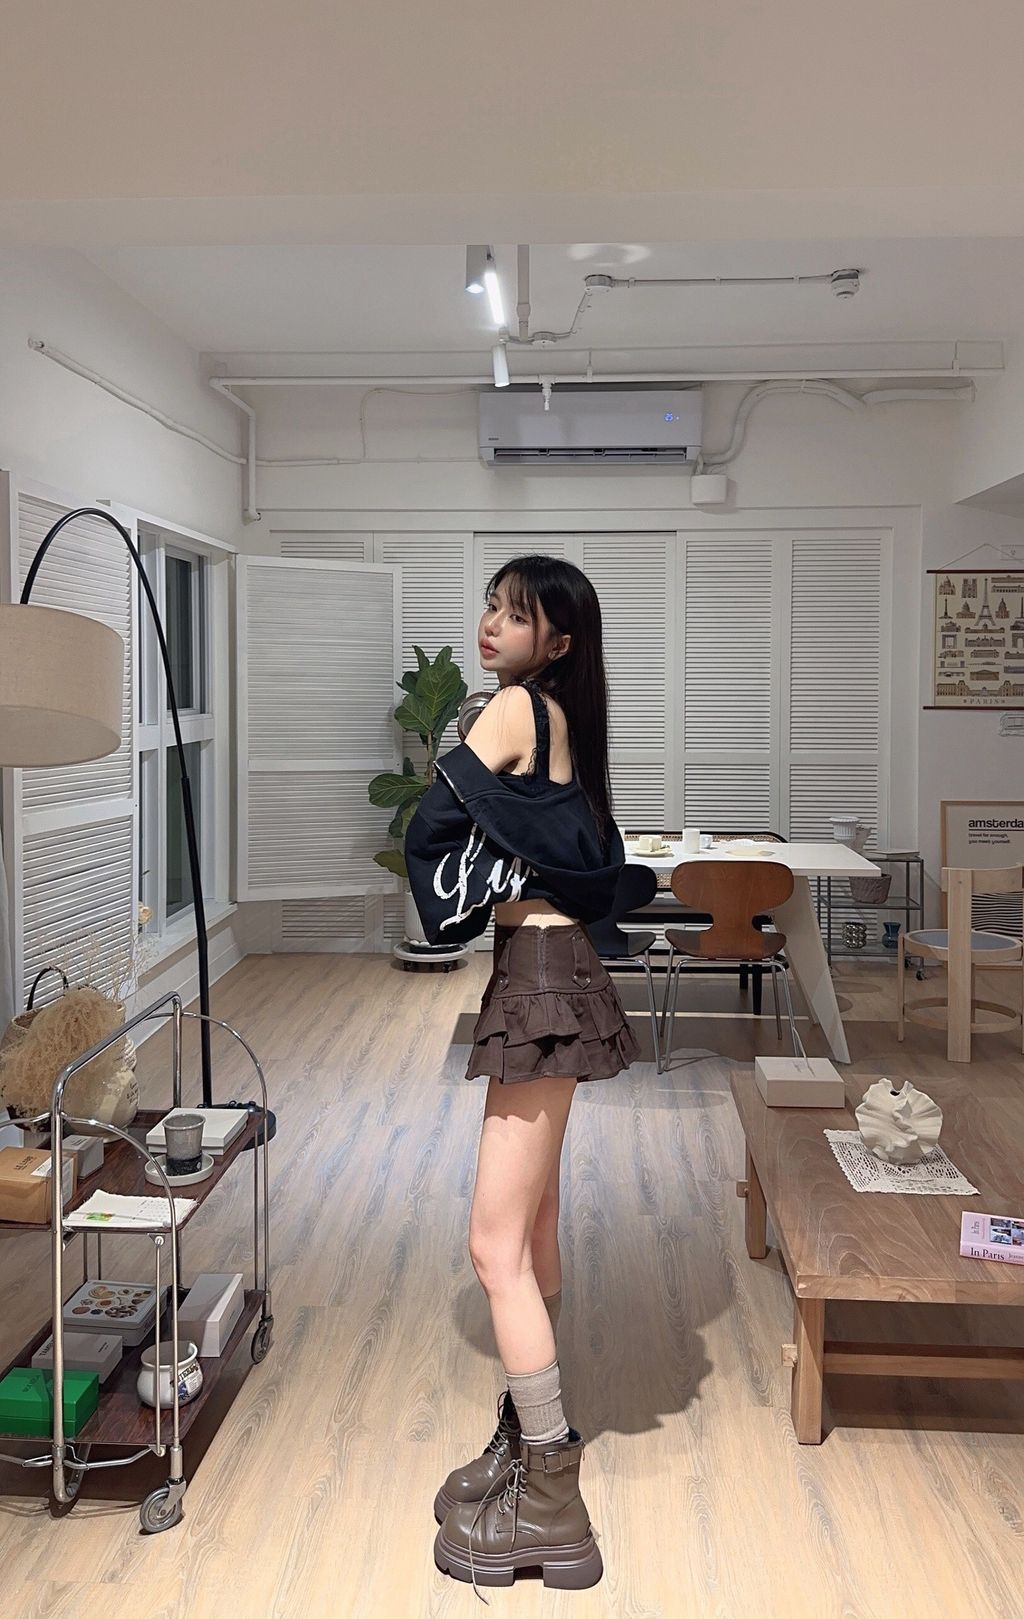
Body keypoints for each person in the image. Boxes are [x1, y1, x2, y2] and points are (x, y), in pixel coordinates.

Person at [405, 554, 641, 1595]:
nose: (491, 624)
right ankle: (521, 1438)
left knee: (492, 1246)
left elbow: (429, 823)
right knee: (534, 1234)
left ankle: (551, 1495)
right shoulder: (563, 720)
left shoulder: (511, 710)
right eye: (491, 606)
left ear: (559, 642)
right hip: (555, 967)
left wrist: (472, 829)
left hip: (539, 977)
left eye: (516, 613)